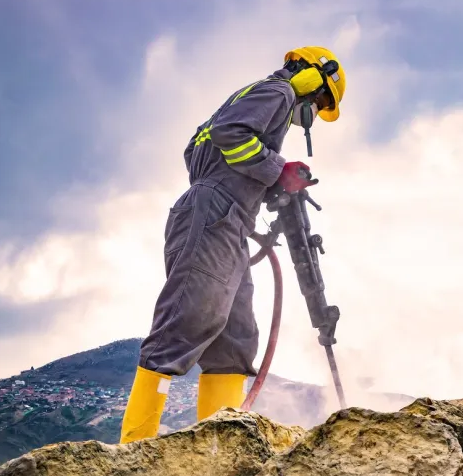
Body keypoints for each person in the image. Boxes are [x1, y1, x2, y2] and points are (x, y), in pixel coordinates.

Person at [119, 46, 347, 444]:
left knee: (235, 339)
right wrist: (278, 169)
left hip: (228, 220)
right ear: (311, 77)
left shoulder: (248, 98)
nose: (311, 111)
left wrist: (266, 183)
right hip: (215, 215)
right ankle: (133, 449)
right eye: (320, 99)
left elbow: (197, 149)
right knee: (186, 322)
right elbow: (230, 136)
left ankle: (218, 448)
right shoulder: (278, 93)